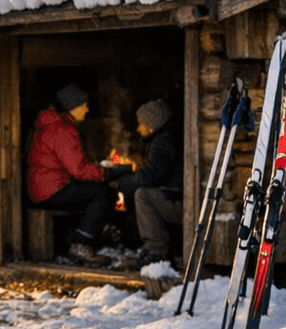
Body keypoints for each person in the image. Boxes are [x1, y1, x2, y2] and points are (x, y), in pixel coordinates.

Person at [26, 84, 118, 264]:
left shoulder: (51, 125)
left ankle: (82, 236)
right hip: (51, 190)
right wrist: (105, 173)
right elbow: (79, 170)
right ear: (73, 106)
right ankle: (80, 244)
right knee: (103, 193)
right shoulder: (62, 130)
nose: (87, 109)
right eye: (84, 104)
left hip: (42, 188)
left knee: (91, 191)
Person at [118, 99, 182, 264]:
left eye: (141, 123)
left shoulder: (163, 142)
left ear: (152, 124)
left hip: (181, 203)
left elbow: (152, 176)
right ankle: (154, 248)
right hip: (177, 196)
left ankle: (157, 251)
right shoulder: (168, 137)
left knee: (142, 195)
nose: (139, 128)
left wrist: (125, 182)